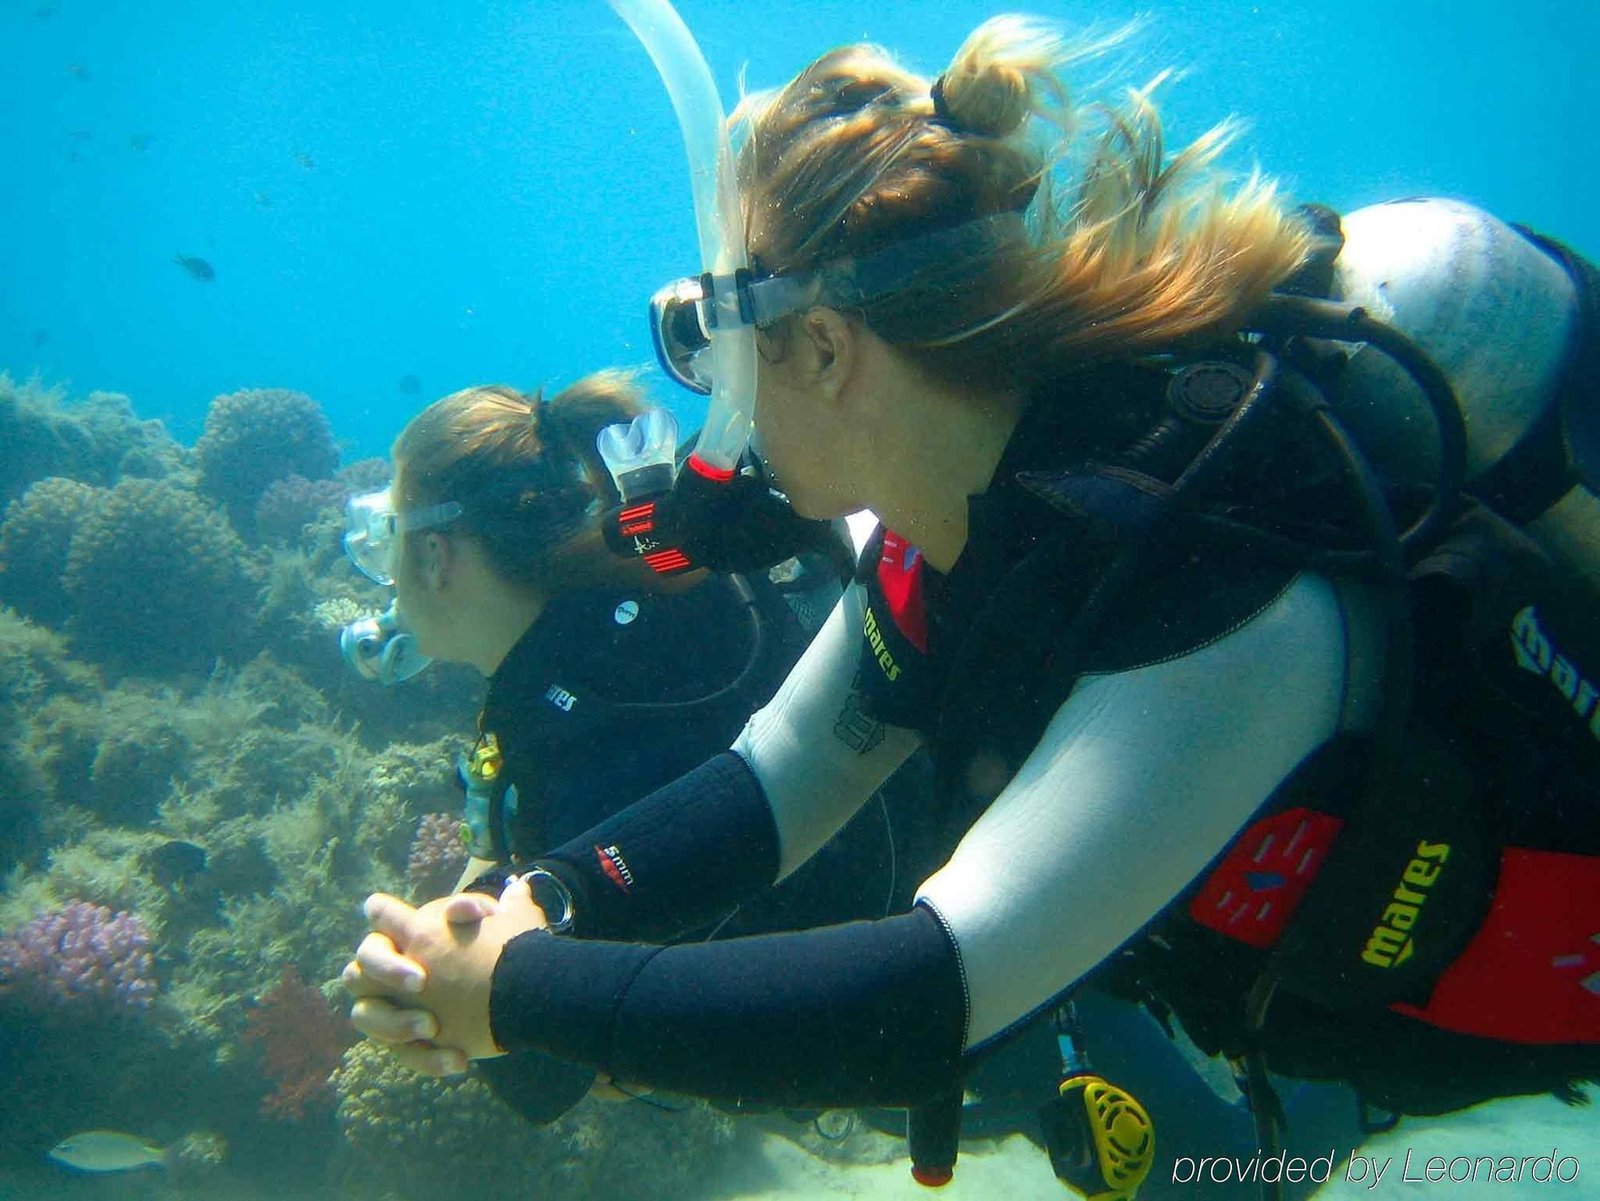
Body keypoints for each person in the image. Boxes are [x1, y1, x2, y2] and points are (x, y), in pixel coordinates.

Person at [341, 14, 1599, 1194]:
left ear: (823, 349)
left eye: (714, 346)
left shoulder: (1198, 571)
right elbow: (772, 783)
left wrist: (515, 994)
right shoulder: (948, 533)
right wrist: (547, 900)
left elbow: (933, 992)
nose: (714, 402)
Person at [338, 375, 936, 1126]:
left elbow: (539, 1071)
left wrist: (426, 980)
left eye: (383, 538)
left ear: (434, 555)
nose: (383, 571)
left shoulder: (586, 722)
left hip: (930, 1039)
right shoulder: (614, 641)